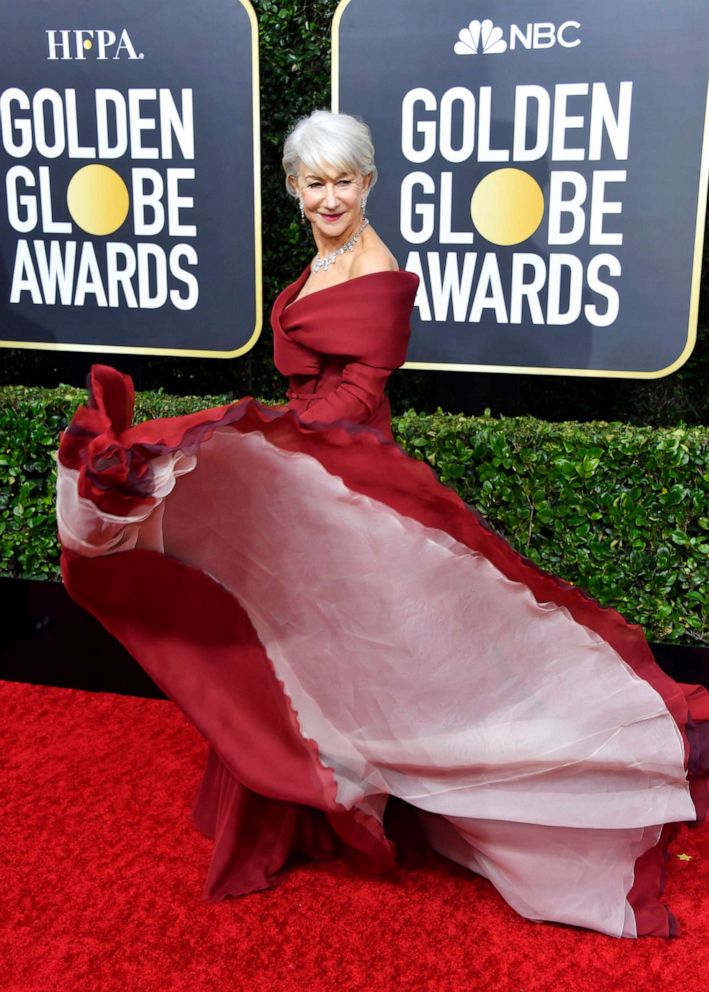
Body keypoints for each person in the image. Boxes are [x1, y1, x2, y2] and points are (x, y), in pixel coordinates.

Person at [56, 111, 708, 940]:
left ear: (368, 182)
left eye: (345, 180)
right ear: (294, 190)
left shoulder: (374, 264)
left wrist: (264, 447)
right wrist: (268, 449)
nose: (331, 197)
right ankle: (307, 789)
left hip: (346, 469)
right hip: (305, 466)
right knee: (297, 633)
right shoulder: (324, 255)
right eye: (314, 182)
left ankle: (491, 776)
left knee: (358, 641)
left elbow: (358, 394)